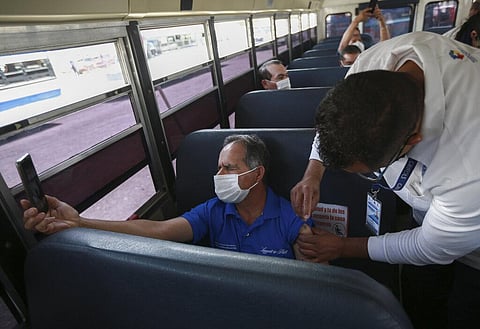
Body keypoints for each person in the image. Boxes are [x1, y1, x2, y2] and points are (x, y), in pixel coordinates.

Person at [290, 31, 480, 328]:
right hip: (435, 205)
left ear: (413, 140)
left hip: (473, 231)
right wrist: (313, 171)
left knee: (464, 309)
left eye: (368, 171)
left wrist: (341, 247)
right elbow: (336, 123)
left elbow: (430, 246)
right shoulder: (372, 64)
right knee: (420, 296)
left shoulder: (470, 163)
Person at [22, 134, 312, 260]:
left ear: (257, 175)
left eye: (229, 168)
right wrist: (80, 223)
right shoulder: (214, 211)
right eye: (218, 167)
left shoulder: (291, 219)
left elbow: (316, 284)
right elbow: (158, 230)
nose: (219, 175)